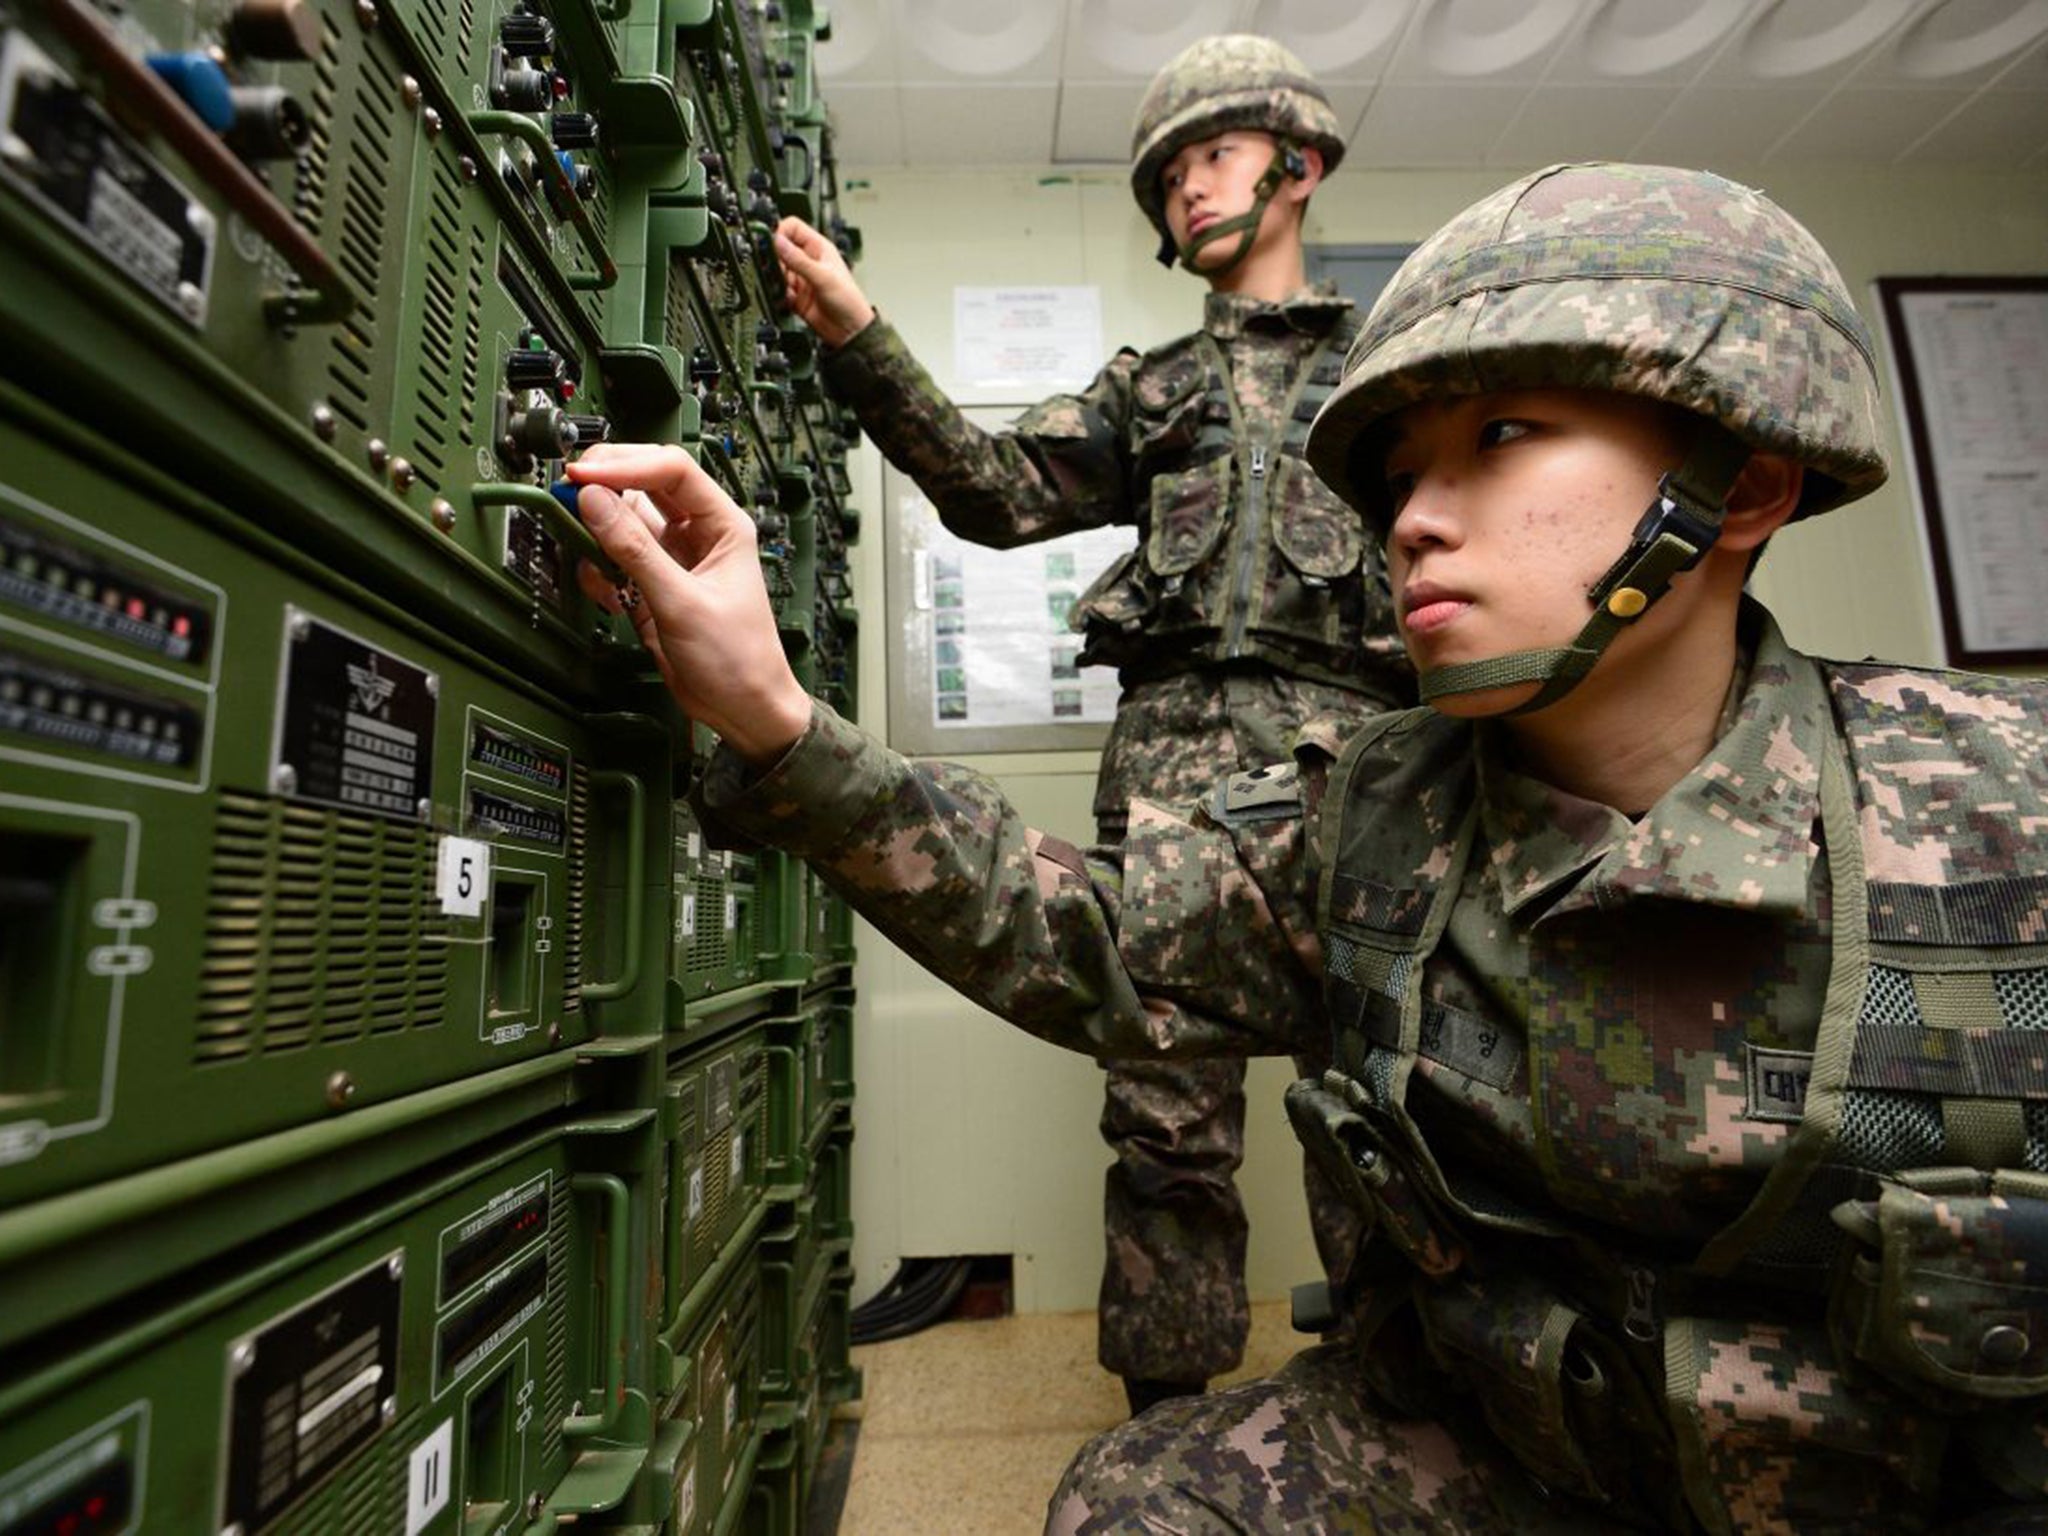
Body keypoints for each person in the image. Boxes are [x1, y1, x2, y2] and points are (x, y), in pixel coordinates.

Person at [567, 161, 2048, 1532]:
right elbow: (1077, 931)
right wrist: (773, 717)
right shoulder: (1380, 813)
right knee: (1152, 1405)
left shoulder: (1991, 805)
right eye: (1400, 474)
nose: (1414, 521)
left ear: (1751, 484)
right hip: (1517, 1449)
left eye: (1506, 438)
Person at [770, 34, 1414, 1414]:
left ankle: (1402, 1413)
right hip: (1176, 785)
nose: (1188, 189)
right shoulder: (1158, 391)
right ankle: (1167, 1444)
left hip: (1366, 780)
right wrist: (857, 339)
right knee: (1167, 1127)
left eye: (1217, 157)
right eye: (1169, 172)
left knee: (1380, 1115)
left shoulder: (1397, 372)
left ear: (1298, 165)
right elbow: (997, 493)